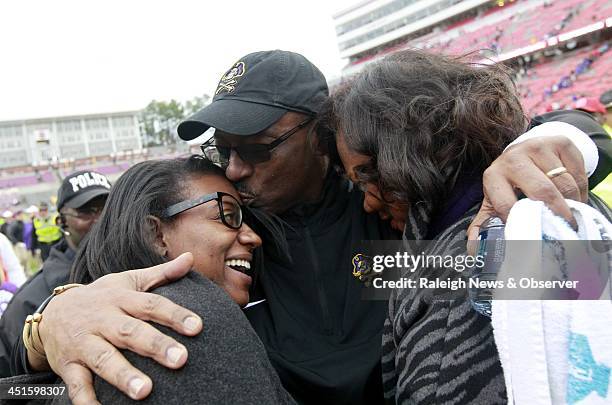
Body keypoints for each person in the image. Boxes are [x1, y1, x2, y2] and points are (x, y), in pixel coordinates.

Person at [13, 50, 609, 405]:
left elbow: (579, 279)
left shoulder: (389, 211)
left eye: (259, 149)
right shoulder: (228, 259)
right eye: (226, 153)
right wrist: (54, 320)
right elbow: (26, 372)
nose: (239, 174)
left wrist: (557, 142)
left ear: (323, 136)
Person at [326, 49, 611, 404]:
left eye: (369, 176)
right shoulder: (550, 199)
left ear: (407, 154)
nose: (368, 201)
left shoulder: (474, 252)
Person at [5, 155, 294, 405]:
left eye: (103, 208)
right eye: (227, 215)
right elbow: (15, 391)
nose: (253, 236)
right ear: (156, 235)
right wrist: (41, 331)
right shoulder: (36, 302)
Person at [0, 170, 111, 377]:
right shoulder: (30, 301)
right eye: (86, 212)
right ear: (62, 222)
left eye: (108, 209)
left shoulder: (145, 265)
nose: (100, 220)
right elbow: (10, 389)